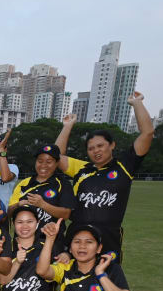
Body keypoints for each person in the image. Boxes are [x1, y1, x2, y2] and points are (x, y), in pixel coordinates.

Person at [54, 92, 154, 262]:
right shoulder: (82, 169)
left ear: (112, 145)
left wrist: (137, 103)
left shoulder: (124, 166)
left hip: (108, 239)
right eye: (91, 148)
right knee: (72, 284)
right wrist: (67, 126)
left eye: (100, 146)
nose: (96, 151)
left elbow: (147, 133)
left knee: (105, 284)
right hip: (77, 237)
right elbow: (56, 155)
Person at [8, 144, 75, 241]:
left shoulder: (63, 184)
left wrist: (42, 204)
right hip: (22, 244)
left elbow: (66, 214)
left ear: (57, 163)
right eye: (40, 161)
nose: (43, 165)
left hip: (51, 243)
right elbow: (9, 213)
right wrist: (18, 205)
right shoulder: (24, 183)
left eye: (49, 162)